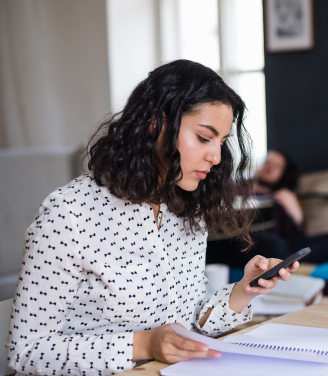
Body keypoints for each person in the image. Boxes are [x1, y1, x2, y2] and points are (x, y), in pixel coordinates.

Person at [6, 60, 299, 375]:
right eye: (204, 138)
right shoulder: (71, 214)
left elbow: (187, 326)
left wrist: (244, 290)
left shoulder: (185, 210)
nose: (215, 157)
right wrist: (145, 344)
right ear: (156, 124)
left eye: (221, 142)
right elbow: (26, 351)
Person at [207, 150, 328, 267]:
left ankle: (286, 261)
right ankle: (286, 261)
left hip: (281, 245)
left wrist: (296, 214)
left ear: (283, 174)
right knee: (276, 247)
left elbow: (298, 238)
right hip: (241, 240)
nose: (270, 166)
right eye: (267, 162)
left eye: (277, 166)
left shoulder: (284, 198)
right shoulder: (237, 186)